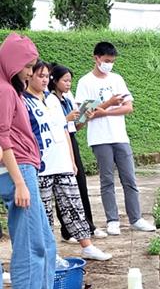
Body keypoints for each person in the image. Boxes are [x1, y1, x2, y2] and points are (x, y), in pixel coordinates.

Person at [24, 60, 111, 261]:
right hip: (42, 164)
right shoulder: (24, 101)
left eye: (47, 76)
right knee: (44, 211)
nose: (45, 80)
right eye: (40, 76)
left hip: (61, 161)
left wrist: (71, 160)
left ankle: (87, 245)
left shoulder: (52, 100)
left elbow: (64, 131)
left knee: (73, 204)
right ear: (30, 76)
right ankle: (48, 251)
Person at [0, 33, 56, 289]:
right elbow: (3, 138)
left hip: (24, 168)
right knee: (31, 244)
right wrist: (20, 182)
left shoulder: (9, 88)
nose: (30, 72)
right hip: (18, 170)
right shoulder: (6, 91)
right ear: (12, 62)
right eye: (27, 66)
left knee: (46, 242)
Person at [75, 41, 155, 235]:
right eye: (107, 60)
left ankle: (135, 218)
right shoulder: (85, 82)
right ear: (97, 58)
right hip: (99, 138)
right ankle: (112, 220)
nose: (109, 64)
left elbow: (129, 107)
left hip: (120, 136)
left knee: (129, 178)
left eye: (112, 61)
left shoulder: (117, 79)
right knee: (107, 180)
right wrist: (109, 103)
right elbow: (83, 114)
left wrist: (103, 111)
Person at [49, 63, 107, 241]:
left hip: (71, 139)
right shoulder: (50, 100)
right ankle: (68, 231)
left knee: (80, 185)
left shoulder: (67, 99)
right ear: (55, 80)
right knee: (64, 187)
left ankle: (88, 225)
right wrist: (67, 119)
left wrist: (84, 118)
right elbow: (54, 125)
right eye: (65, 80)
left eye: (70, 81)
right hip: (59, 143)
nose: (68, 84)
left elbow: (75, 127)